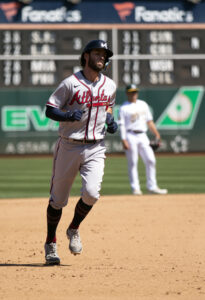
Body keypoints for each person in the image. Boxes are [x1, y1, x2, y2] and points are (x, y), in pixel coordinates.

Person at [44, 40, 118, 265]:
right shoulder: (70, 83)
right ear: (86, 56)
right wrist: (66, 116)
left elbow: (108, 105)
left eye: (104, 54)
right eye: (97, 53)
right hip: (69, 145)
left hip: (96, 146)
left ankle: (73, 228)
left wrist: (110, 118)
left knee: (92, 194)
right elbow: (50, 109)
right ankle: (50, 242)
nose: (102, 57)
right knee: (58, 200)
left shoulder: (110, 85)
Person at [118, 84, 167, 196]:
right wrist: (123, 139)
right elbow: (121, 125)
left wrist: (157, 134)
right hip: (130, 135)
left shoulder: (143, 104)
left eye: (135, 91)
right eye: (131, 92)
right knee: (133, 162)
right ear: (127, 93)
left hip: (143, 135)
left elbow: (149, 121)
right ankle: (135, 188)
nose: (134, 94)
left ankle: (152, 187)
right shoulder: (124, 107)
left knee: (151, 160)